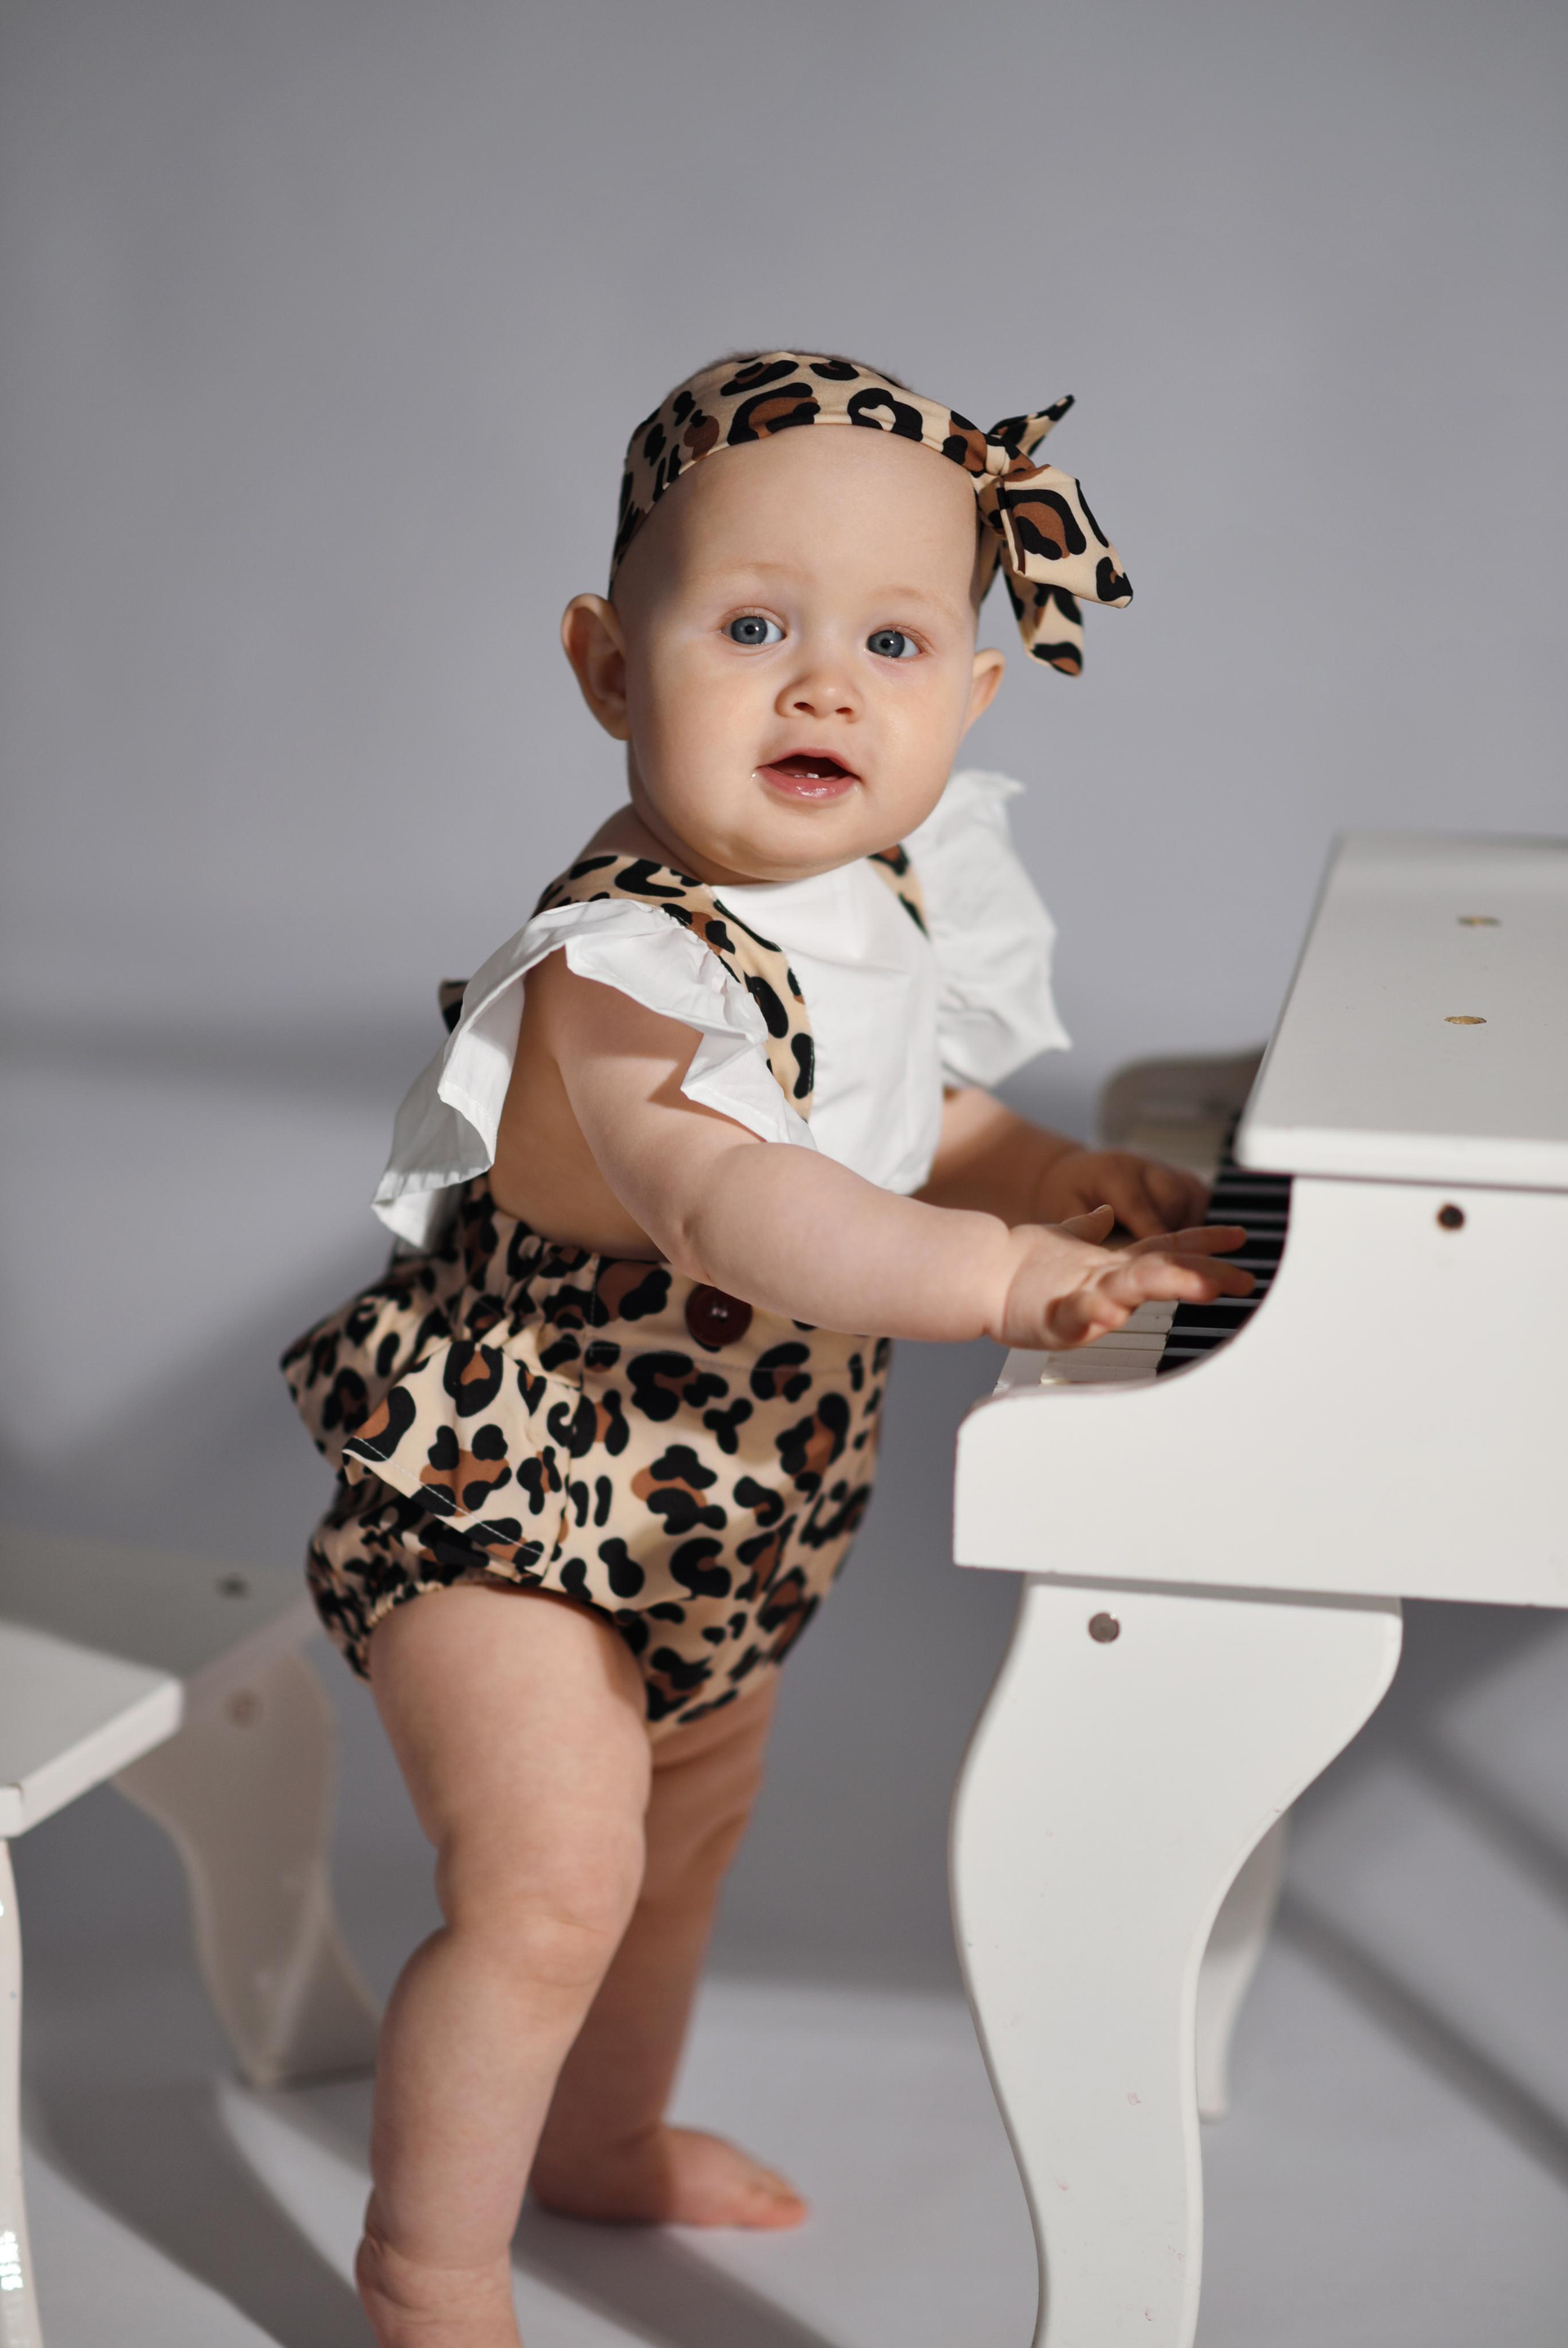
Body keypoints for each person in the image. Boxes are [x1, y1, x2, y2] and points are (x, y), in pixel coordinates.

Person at [283, 350, 1251, 2348]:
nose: (825, 685)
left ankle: (602, 2138)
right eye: (750, 627)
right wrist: (1002, 1276)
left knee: (676, 1857)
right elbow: (742, 1202)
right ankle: (429, 2267)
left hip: (733, 1512)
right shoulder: (626, 964)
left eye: (893, 641)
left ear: (969, 696)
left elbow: (902, 1119)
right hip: (515, 1498)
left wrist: (1049, 1174)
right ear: (606, 666)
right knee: (553, 1885)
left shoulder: (881, 891)